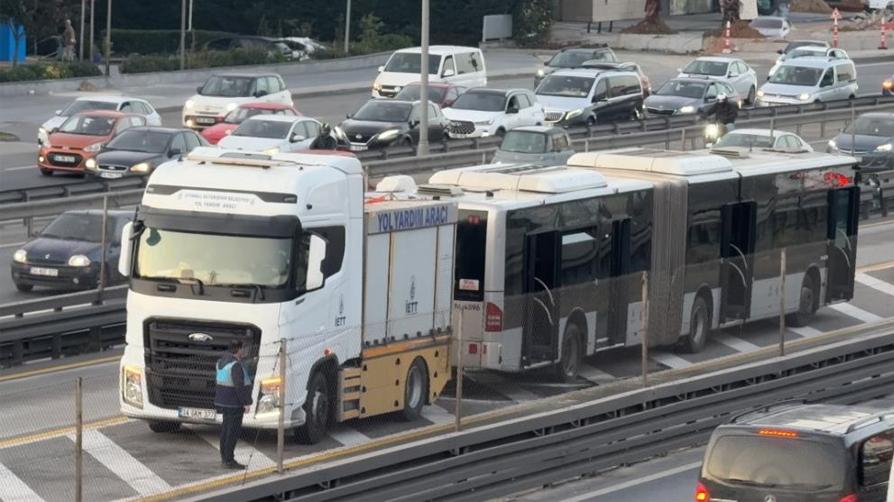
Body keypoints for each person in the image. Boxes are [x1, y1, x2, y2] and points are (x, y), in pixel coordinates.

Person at [214, 340, 253, 470]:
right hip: (234, 403)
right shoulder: (235, 365)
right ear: (238, 349)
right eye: (243, 348)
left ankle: (224, 458)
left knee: (225, 430)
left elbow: (221, 381)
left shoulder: (221, 362)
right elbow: (239, 386)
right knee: (232, 432)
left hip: (223, 401)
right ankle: (229, 460)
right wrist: (246, 402)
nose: (244, 351)